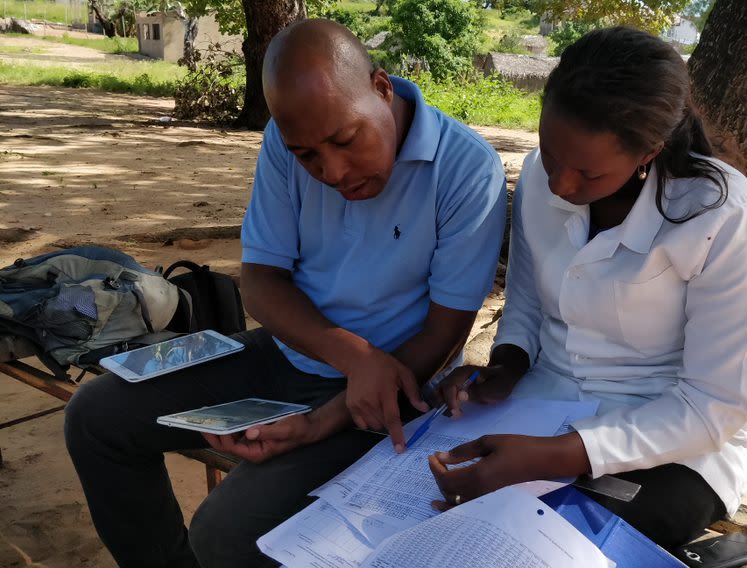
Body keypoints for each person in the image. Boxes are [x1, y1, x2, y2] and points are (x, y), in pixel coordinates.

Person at [64, 19, 506, 568]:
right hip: (291, 353)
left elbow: (444, 333)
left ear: (382, 87)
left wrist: (343, 400)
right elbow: (262, 283)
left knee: (225, 535)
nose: (335, 171)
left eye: (346, 140)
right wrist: (351, 353)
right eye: (308, 157)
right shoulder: (282, 139)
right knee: (96, 416)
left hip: (395, 391)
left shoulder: (467, 168)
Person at [428, 26, 747, 551]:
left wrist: (556, 455)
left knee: (534, 540)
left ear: (648, 153)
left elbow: (715, 406)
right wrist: (507, 366)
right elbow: (525, 300)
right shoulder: (538, 183)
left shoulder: (724, 217)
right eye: (549, 154)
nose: (560, 186)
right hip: (540, 404)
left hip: (674, 442)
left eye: (587, 174)